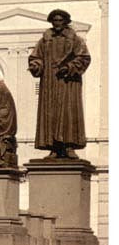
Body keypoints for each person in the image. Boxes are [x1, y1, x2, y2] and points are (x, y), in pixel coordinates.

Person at [28, 9, 90, 159]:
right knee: (51, 115)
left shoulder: (76, 40)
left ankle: (69, 146)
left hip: (68, 83)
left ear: (66, 22)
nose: (57, 23)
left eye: (60, 20)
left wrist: (69, 67)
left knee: (68, 113)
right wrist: (36, 65)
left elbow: (84, 58)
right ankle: (54, 148)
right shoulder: (44, 40)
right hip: (50, 83)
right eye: (54, 20)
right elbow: (36, 57)